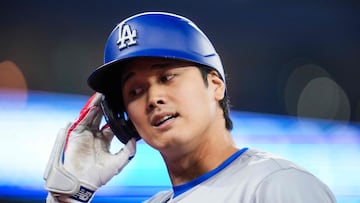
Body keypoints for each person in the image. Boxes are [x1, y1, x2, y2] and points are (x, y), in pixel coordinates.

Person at [43, 12, 337, 203]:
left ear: (216, 85)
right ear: (124, 121)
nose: (153, 98)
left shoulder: (278, 186)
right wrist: (67, 198)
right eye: (135, 90)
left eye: (166, 77)